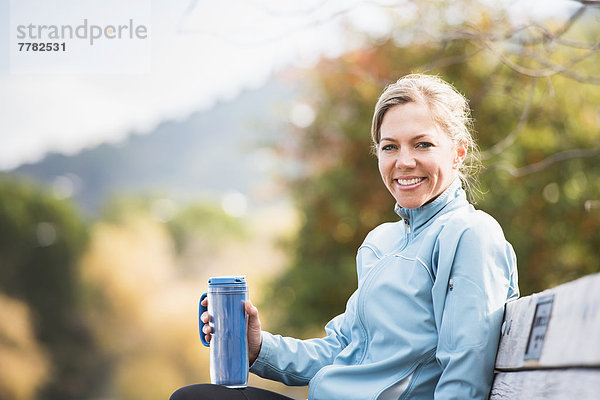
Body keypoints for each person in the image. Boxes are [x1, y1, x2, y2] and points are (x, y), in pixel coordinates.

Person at [170, 74, 519, 400]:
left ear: (458, 152)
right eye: (390, 147)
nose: (404, 161)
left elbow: (464, 376)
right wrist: (258, 347)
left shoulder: (470, 235)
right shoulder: (382, 243)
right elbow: (341, 350)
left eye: (423, 144)